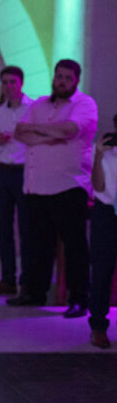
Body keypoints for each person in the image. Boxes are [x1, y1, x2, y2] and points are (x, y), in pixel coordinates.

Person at [7, 59, 97, 317]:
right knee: (37, 244)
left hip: (69, 185)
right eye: (58, 76)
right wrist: (51, 135)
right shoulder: (39, 104)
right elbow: (20, 132)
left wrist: (40, 132)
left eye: (67, 78)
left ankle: (79, 298)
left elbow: (70, 129)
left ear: (76, 80)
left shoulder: (84, 104)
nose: (61, 81)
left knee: (74, 246)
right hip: (36, 187)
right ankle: (35, 292)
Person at [0, 66, 33, 296]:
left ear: (21, 83)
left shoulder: (32, 108)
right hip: (3, 170)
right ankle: (7, 278)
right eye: (5, 82)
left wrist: (19, 138)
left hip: (24, 170)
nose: (8, 86)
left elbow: (34, 139)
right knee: (3, 227)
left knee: (26, 227)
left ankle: (27, 279)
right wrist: (1, 141)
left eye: (12, 82)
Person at [88, 116, 117, 348]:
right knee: (101, 271)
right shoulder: (105, 154)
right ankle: (98, 326)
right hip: (106, 214)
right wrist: (98, 155)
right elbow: (97, 187)